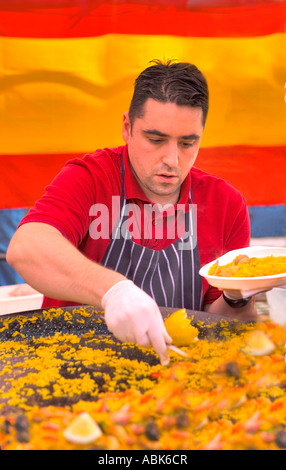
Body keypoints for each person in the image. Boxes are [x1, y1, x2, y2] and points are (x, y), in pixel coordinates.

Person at [7, 59, 257, 366]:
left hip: (176, 378)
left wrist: (237, 296)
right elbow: (26, 247)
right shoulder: (91, 178)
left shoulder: (225, 204)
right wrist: (113, 291)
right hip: (69, 369)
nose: (172, 159)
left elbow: (222, 325)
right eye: (156, 140)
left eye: (187, 143)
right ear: (127, 128)